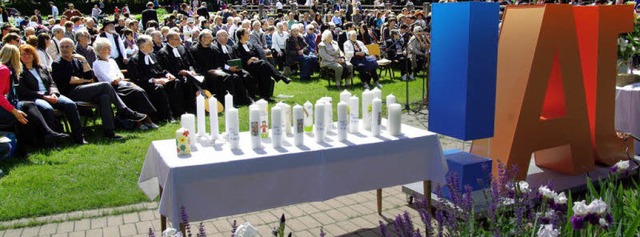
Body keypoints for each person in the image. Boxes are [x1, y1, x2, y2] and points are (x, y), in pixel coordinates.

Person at [52, 38, 146, 140]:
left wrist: (83, 60)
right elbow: (70, 80)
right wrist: (84, 80)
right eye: (62, 47)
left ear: (73, 48)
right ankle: (124, 110)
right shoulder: (57, 63)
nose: (64, 49)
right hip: (70, 94)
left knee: (104, 97)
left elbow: (89, 76)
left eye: (67, 46)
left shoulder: (77, 61)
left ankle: (109, 133)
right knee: (105, 85)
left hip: (84, 91)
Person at [0, 45, 68, 146]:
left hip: (10, 102)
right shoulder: (4, 70)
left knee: (29, 105)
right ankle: (42, 138)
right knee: (24, 114)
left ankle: (47, 134)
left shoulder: (9, 70)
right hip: (3, 107)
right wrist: (14, 111)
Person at [17, 45, 86, 144]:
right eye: (23, 54)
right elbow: (24, 91)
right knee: (47, 109)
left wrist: (53, 93)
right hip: (35, 97)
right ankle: (52, 141)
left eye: (29, 54)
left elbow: (51, 83)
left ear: (33, 55)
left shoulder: (42, 67)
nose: (26, 56)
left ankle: (79, 137)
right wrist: (43, 96)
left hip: (50, 94)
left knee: (70, 105)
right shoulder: (20, 72)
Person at [92, 37, 158, 130]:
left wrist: (118, 78)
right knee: (135, 93)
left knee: (140, 90)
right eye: (108, 48)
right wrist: (118, 79)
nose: (110, 50)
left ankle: (146, 119)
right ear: (100, 50)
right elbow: (110, 80)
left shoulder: (112, 61)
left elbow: (120, 75)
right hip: (111, 89)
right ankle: (142, 121)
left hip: (121, 84)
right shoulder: (96, 64)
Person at [127, 35, 179, 122]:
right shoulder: (134, 60)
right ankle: (166, 116)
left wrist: (167, 74)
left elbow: (161, 69)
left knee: (176, 82)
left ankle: (178, 112)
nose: (153, 45)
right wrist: (154, 80)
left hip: (160, 80)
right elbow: (137, 78)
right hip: (145, 84)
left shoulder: (153, 55)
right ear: (143, 46)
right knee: (159, 88)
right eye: (151, 44)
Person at [234, 28, 290, 101]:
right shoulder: (236, 47)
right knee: (263, 63)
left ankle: (265, 96)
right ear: (241, 36)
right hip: (246, 68)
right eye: (247, 33)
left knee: (264, 70)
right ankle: (281, 76)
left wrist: (255, 58)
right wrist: (248, 60)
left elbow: (258, 55)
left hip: (257, 65)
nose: (249, 34)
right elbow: (238, 59)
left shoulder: (250, 45)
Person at [205, 30, 253, 106]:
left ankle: (248, 97)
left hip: (234, 68)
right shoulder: (215, 49)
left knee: (246, 74)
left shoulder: (229, 47)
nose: (226, 37)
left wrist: (238, 66)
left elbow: (235, 58)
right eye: (224, 35)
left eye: (227, 35)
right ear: (218, 37)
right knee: (234, 78)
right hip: (224, 70)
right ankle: (235, 100)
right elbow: (218, 63)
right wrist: (229, 68)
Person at [157, 31, 197, 113]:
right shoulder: (163, 52)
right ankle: (180, 110)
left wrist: (191, 70)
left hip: (187, 74)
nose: (180, 41)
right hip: (175, 75)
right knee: (179, 83)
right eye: (177, 39)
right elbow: (164, 68)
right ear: (170, 40)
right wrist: (179, 72)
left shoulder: (182, 48)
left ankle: (192, 108)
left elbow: (191, 62)